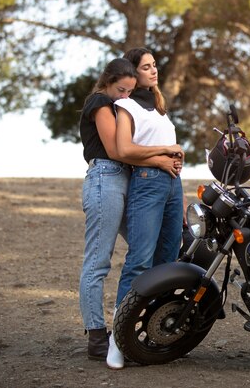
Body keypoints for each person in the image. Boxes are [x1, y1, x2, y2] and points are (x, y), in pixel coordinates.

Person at [78, 58, 183, 363]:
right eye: (120, 89)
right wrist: (162, 155)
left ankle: (142, 327)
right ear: (107, 82)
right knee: (98, 261)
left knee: (145, 252)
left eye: (129, 91)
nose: (125, 95)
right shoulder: (100, 102)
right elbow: (116, 151)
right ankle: (98, 336)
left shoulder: (124, 106)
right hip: (106, 178)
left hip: (128, 179)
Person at [105, 47, 186, 369]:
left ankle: (153, 333)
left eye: (155, 66)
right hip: (147, 184)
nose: (154, 72)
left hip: (172, 187)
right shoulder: (125, 105)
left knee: (167, 262)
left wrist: (179, 198)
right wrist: (164, 152)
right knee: (139, 261)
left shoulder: (161, 109)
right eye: (146, 67)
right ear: (132, 72)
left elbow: (172, 159)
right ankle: (118, 338)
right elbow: (124, 150)